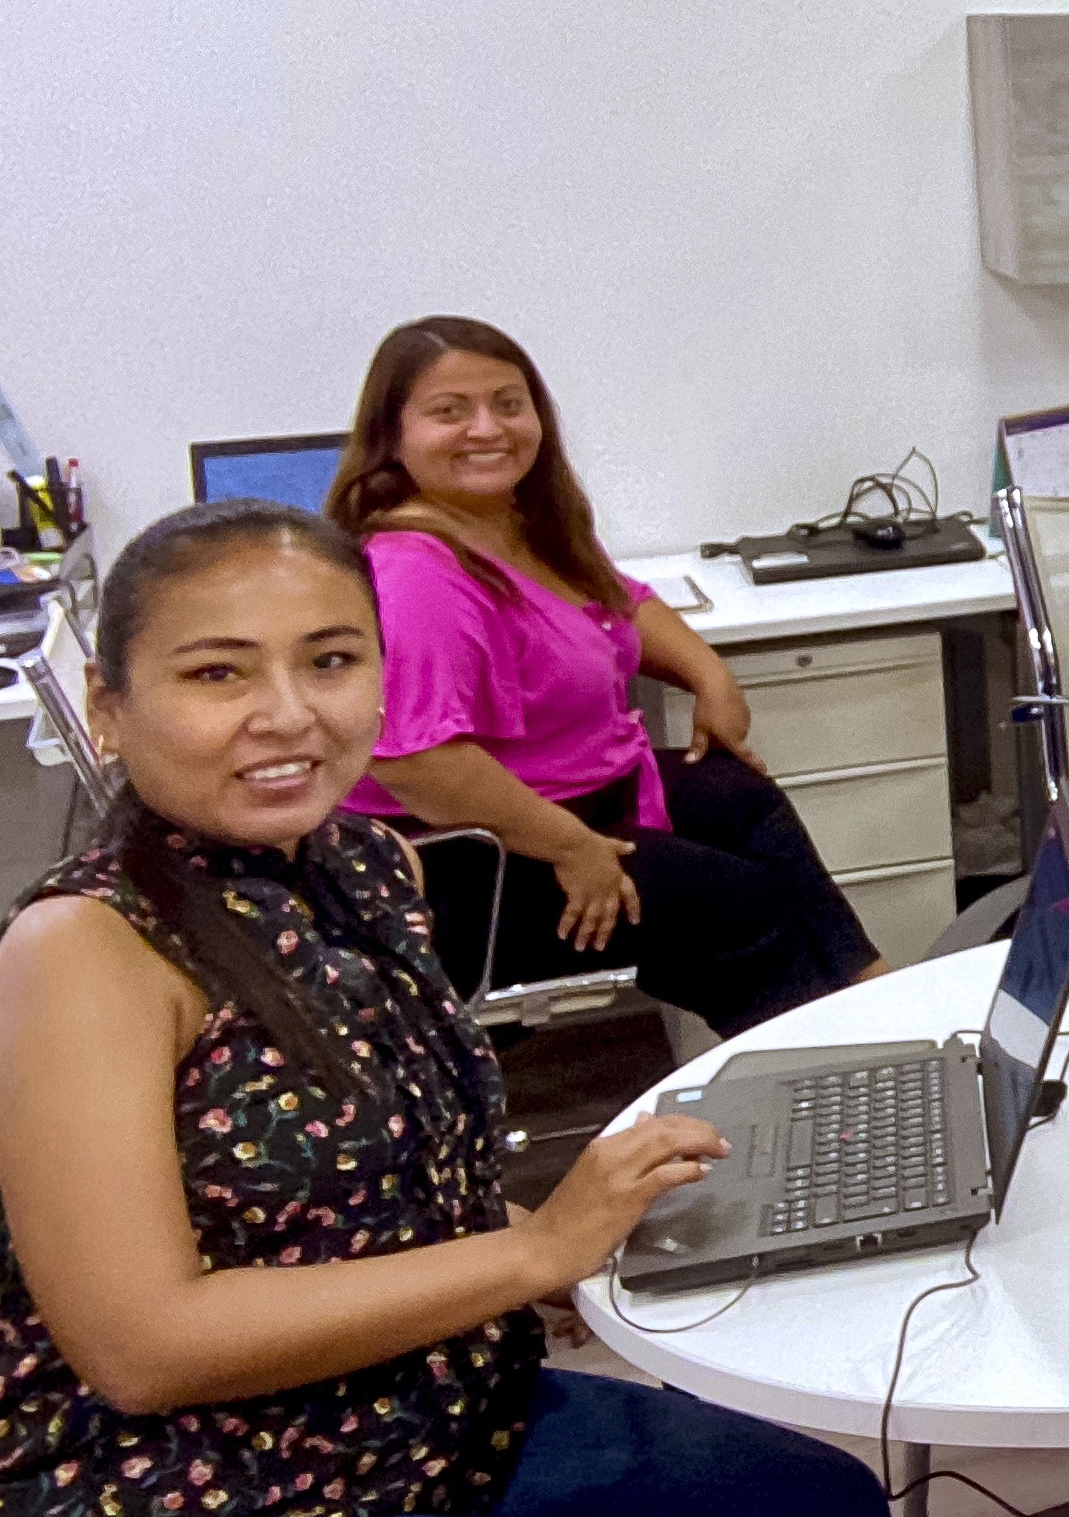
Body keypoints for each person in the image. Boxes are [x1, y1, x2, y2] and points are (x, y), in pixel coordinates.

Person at [0, 500, 887, 1517]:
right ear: (110, 708)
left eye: (331, 660)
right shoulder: (84, 950)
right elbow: (142, 1343)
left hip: (401, 1434)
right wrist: (532, 1250)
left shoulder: (361, 867)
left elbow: (388, 1198)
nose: (286, 714)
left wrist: (595, 1243)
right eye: (216, 672)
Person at [327, 316, 878, 1034]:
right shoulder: (415, 572)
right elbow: (420, 763)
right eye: (449, 411)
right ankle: (827, 1078)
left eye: (508, 402)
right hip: (475, 862)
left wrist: (709, 676)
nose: (487, 428)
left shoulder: (517, 523)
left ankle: (869, 995)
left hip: (577, 802)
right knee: (741, 906)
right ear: (391, 437)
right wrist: (570, 845)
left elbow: (617, 604)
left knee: (738, 798)